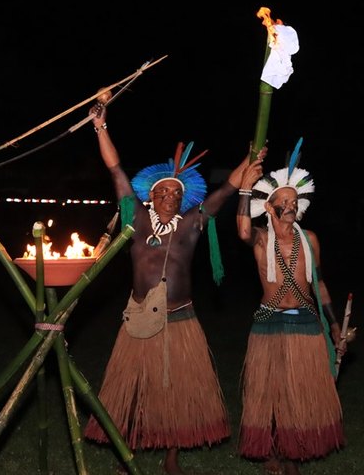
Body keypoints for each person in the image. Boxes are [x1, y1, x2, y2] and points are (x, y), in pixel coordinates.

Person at [82, 94, 267, 475]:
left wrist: (249, 161)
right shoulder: (135, 219)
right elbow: (116, 170)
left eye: (176, 193)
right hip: (138, 317)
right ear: (150, 195)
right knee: (134, 388)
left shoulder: (191, 223)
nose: (169, 197)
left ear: (184, 200)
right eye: (163, 192)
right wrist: (100, 125)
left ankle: (171, 456)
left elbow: (224, 194)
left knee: (176, 388)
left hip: (180, 316)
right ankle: (125, 451)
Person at [235, 137, 346, 475]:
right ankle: (271, 452)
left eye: (294, 200)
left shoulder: (309, 239)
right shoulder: (261, 238)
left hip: (307, 323)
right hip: (269, 322)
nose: (290, 205)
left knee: (300, 395)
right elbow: (241, 231)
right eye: (284, 200)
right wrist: (243, 189)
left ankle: (293, 454)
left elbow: (320, 284)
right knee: (268, 392)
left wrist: (336, 325)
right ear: (269, 207)